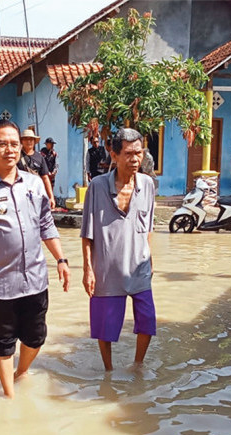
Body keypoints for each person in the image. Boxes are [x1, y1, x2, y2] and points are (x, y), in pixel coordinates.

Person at [0, 119, 71, 398]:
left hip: (35, 278)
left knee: (36, 337)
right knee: (3, 342)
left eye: (14, 144)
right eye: (2, 144)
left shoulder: (34, 184)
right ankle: (9, 397)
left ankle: (21, 372)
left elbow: (46, 224)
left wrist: (61, 259)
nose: (9, 150)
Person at [80, 128, 156, 371]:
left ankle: (137, 365)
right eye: (128, 153)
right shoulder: (97, 186)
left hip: (139, 266)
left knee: (147, 321)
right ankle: (109, 371)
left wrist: (151, 258)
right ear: (114, 155)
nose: (135, 159)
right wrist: (87, 269)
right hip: (107, 267)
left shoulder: (148, 185)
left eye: (139, 153)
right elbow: (87, 231)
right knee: (105, 327)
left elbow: (149, 226)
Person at [19, 129, 56, 209]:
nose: (29, 141)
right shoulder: (16, 156)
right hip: (20, 194)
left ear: (34, 141)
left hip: (35, 195)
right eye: (26, 139)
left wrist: (51, 197)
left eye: (31, 139)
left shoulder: (39, 157)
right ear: (21, 141)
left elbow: (45, 178)